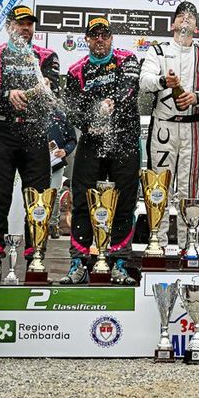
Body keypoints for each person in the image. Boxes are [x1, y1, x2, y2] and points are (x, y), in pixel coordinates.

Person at [0, 5, 60, 284]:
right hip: (2, 132)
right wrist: (8, 94)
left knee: (38, 200)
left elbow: (54, 92)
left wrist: (42, 89)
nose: (26, 28)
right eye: (20, 23)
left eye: (30, 24)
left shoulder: (47, 56)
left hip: (35, 132)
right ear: (9, 26)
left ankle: (35, 261)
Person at [62, 16, 141, 284]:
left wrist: (110, 104)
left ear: (111, 38)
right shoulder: (76, 70)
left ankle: (120, 261)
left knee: (125, 201)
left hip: (124, 139)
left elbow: (129, 88)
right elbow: (71, 109)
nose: (100, 39)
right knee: (82, 200)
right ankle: (79, 261)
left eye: (104, 34)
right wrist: (90, 123)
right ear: (86, 39)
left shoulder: (127, 59)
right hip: (93, 141)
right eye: (94, 35)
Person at [138, 1, 199, 247]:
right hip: (164, 126)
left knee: (189, 187)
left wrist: (196, 97)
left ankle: (188, 245)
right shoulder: (158, 51)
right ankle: (157, 243)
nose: (185, 20)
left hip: (193, 127)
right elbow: (144, 81)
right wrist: (164, 81)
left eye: (190, 17)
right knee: (160, 186)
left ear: (197, 26)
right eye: (181, 16)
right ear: (172, 24)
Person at [46, 107, 77, 239]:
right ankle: (36, 224)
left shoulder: (62, 115)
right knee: (37, 193)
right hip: (36, 162)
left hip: (56, 163)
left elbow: (72, 139)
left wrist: (65, 151)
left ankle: (53, 225)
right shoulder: (34, 110)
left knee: (55, 193)